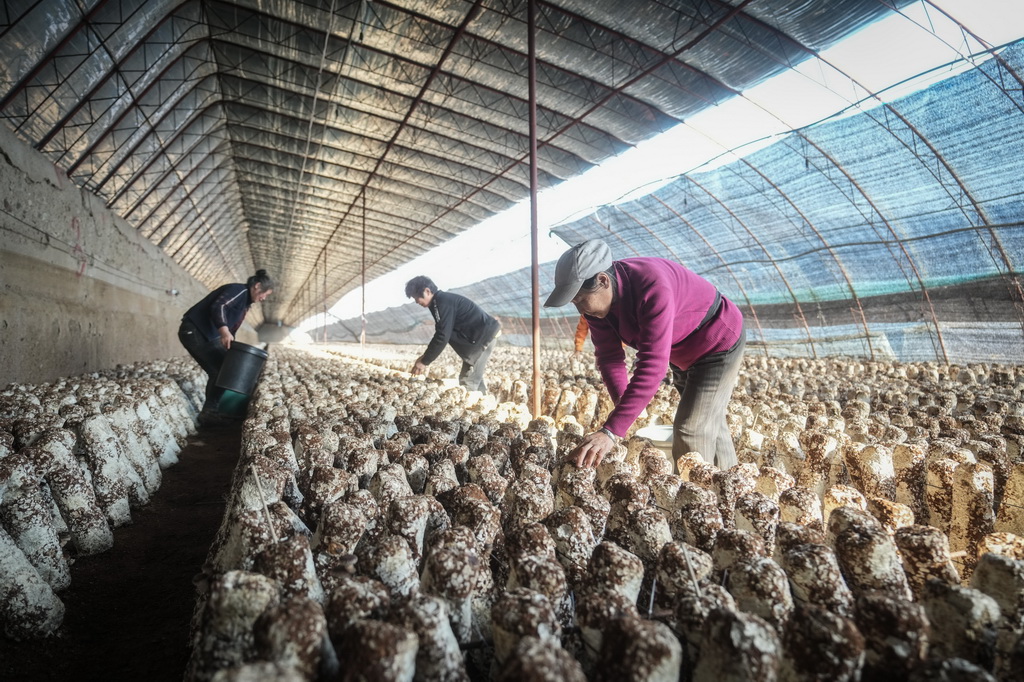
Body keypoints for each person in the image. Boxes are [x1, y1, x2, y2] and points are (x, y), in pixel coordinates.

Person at [544, 240, 745, 470]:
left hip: (716, 342)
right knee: (711, 421)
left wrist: (610, 431)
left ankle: (697, 501)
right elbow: (609, 357)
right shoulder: (598, 309)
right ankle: (729, 485)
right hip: (680, 352)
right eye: (574, 302)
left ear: (602, 280)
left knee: (692, 429)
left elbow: (652, 365)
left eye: (580, 299)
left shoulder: (652, 285)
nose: (579, 309)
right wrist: (623, 406)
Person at [178, 269, 274, 423]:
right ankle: (208, 413)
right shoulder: (238, 290)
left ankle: (212, 410)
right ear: (257, 286)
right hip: (194, 330)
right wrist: (224, 332)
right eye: (265, 294)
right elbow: (219, 306)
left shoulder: (245, 304)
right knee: (220, 370)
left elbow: (232, 328)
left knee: (225, 368)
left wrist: (231, 346)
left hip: (205, 335)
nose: (264, 298)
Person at [405, 275, 501, 393]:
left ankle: (470, 408)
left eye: (416, 298)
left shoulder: (443, 302)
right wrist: (425, 357)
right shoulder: (438, 303)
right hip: (480, 338)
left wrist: (425, 361)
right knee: (474, 377)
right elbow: (442, 331)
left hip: (484, 338)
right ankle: (484, 404)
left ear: (427, 291)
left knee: (468, 381)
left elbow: (442, 335)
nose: (416, 302)